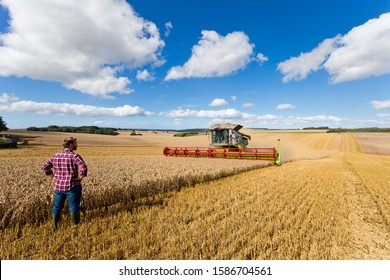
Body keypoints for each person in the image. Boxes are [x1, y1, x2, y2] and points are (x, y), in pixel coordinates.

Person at [42, 136, 88, 230]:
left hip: (58, 187)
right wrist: (81, 177)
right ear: (71, 144)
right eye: (75, 143)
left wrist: (53, 177)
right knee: (74, 206)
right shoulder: (74, 156)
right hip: (72, 186)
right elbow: (84, 167)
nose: (76, 145)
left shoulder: (55, 156)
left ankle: (54, 226)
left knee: (57, 206)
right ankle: (74, 226)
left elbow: (45, 167)